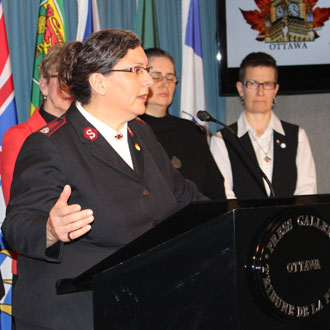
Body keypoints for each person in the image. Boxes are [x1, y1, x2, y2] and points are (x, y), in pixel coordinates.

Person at [2, 29, 205, 330]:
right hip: (74, 315)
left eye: (146, 71)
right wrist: (49, 230)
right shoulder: (50, 144)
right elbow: (16, 226)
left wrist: (236, 216)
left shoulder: (142, 133)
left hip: (140, 305)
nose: (148, 81)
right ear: (99, 82)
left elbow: (185, 198)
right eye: (137, 71)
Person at [210, 52, 316, 200]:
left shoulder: (297, 136)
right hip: (244, 223)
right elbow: (225, 197)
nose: (260, 92)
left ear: (275, 90)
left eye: (267, 84)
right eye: (252, 83)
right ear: (241, 89)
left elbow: (306, 193)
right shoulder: (222, 139)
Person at [140, 48, 226, 201]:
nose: (165, 84)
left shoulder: (191, 130)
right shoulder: (133, 129)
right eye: (157, 77)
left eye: (170, 77)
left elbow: (215, 187)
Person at [1, 42, 72, 205]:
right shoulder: (19, 137)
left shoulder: (87, 132)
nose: (69, 87)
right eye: (61, 79)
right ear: (44, 86)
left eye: (74, 79)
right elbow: (18, 205)